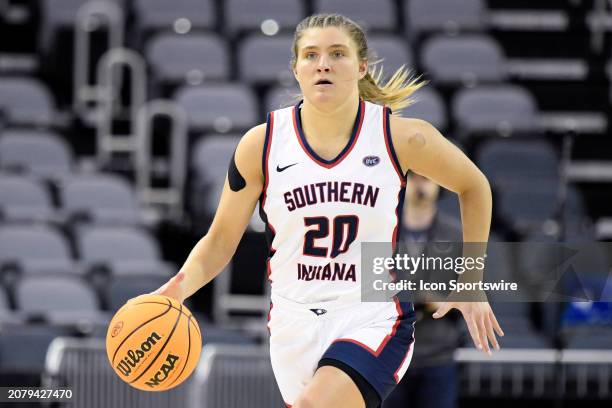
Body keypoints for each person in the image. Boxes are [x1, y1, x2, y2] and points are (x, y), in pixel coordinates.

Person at [149, 13, 503, 408]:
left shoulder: (400, 137)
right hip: (292, 320)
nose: (323, 64)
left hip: (370, 315)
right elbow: (219, 241)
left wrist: (471, 277)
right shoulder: (261, 146)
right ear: (296, 69)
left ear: (361, 66)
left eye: (338, 53)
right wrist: (175, 292)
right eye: (311, 55)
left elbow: (474, 186)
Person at [384, 173, 463, 408]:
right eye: (415, 178)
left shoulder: (456, 235)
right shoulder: (384, 230)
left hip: (438, 354)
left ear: (439, 185)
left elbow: (476, 295)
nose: (421, 185)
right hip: (392, 353)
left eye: (428, 179)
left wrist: (440, 302)